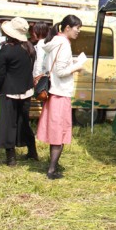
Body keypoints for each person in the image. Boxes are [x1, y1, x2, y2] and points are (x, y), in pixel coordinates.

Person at [36, 15, 84, 180]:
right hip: (60, 93)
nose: (78, 31)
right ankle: (51, 170)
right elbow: (61, 71)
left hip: (53, 93)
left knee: (55, 133)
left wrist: (72, 62)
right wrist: (76, 66)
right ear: (67, 27)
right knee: (59, 134)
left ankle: (52, 168)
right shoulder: (64, 44)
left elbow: (56, 67)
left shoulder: (55, 42)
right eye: (77, 28)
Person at [0, 17, 38, 166]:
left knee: (8, 124)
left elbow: (1, 74)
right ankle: (32, 151)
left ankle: (11, 158)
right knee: (23, 122)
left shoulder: (6, 49)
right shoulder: (30, 48)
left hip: (9, 91)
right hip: (26, 90)